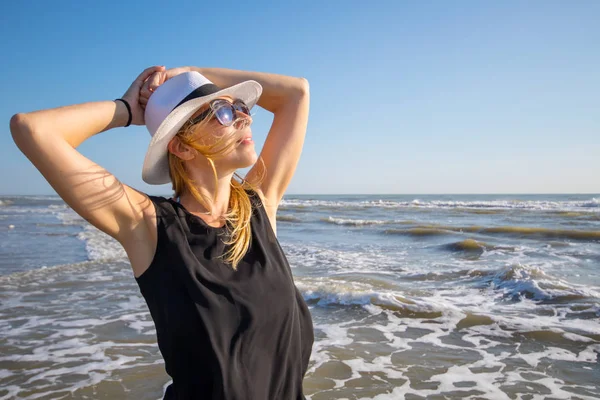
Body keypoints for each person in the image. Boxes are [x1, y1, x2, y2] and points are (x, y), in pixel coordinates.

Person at [10, 65, 314, 399]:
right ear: (182, 147)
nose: (246, 118)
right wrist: (126, 110)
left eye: (242, 108)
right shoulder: (150, 225)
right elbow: (32, 129)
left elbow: (295, 93)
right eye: (223, 112)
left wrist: (191, 72)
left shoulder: (258, 207)